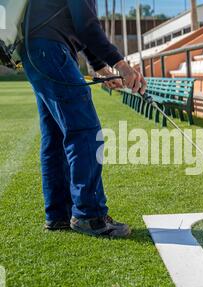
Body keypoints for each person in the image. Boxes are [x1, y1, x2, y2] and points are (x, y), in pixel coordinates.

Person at [21, 0, 147, 238]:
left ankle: (58, 215)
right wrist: (121, 65)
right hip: (51, 48)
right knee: (85, 130)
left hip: (37, 49)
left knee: (55, 136)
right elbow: (86, 25)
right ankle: (90, 215)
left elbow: (79, 26)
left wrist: (100, 68)